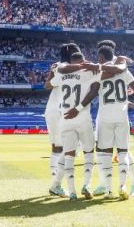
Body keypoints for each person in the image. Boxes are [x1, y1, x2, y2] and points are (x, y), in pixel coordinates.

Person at [89, 45, 134, 200]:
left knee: (104, 154)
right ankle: (123, 185)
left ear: (102, 58)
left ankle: (109, 190)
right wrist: (126, 91)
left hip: (104, 118)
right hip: (121, 117)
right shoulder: (124, 70)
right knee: (123, 152)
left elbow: (92, 88)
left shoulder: (100, 71)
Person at [48, 52, 99, 201]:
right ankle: (86, 185)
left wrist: (54, 70)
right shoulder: (89, 71)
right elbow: (94, 91)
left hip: (65, 119)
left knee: (69, 154)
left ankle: (72, 193)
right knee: (89, 152)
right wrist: (78, 108)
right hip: (82, 118)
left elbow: (48, 85)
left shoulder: (62, 71)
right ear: (82, 60)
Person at [45, 43, 80, 198]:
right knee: (68, 148)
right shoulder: (68, 67)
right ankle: (56, 184)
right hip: (61, 110)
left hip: (52, 110)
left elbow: (47, 86)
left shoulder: (57, 66)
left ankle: (55, 181)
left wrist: (51, 73)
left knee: (57, 147)